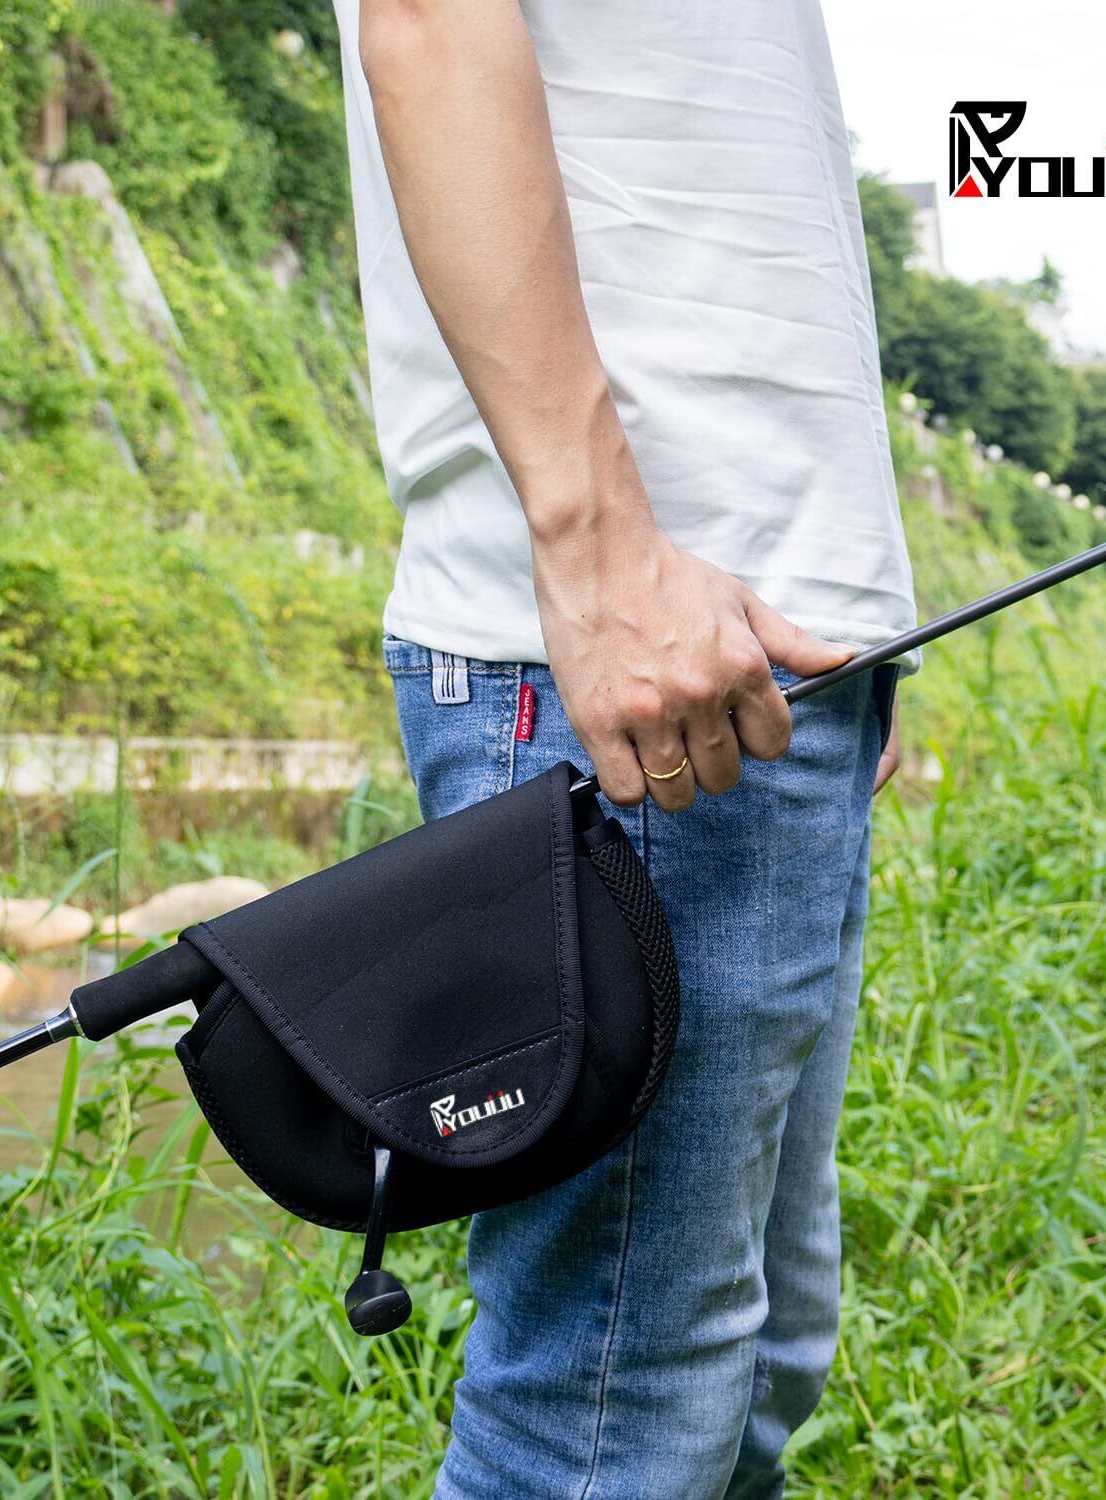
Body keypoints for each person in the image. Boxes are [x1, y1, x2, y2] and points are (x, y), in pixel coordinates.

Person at [333, 3, 915, 1494]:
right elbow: (427, 20)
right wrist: (599, 554)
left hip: (749, 653)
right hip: (637, 661)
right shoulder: (625, 610)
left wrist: (855, 620)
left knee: (752, 1367)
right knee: (607, 1414)